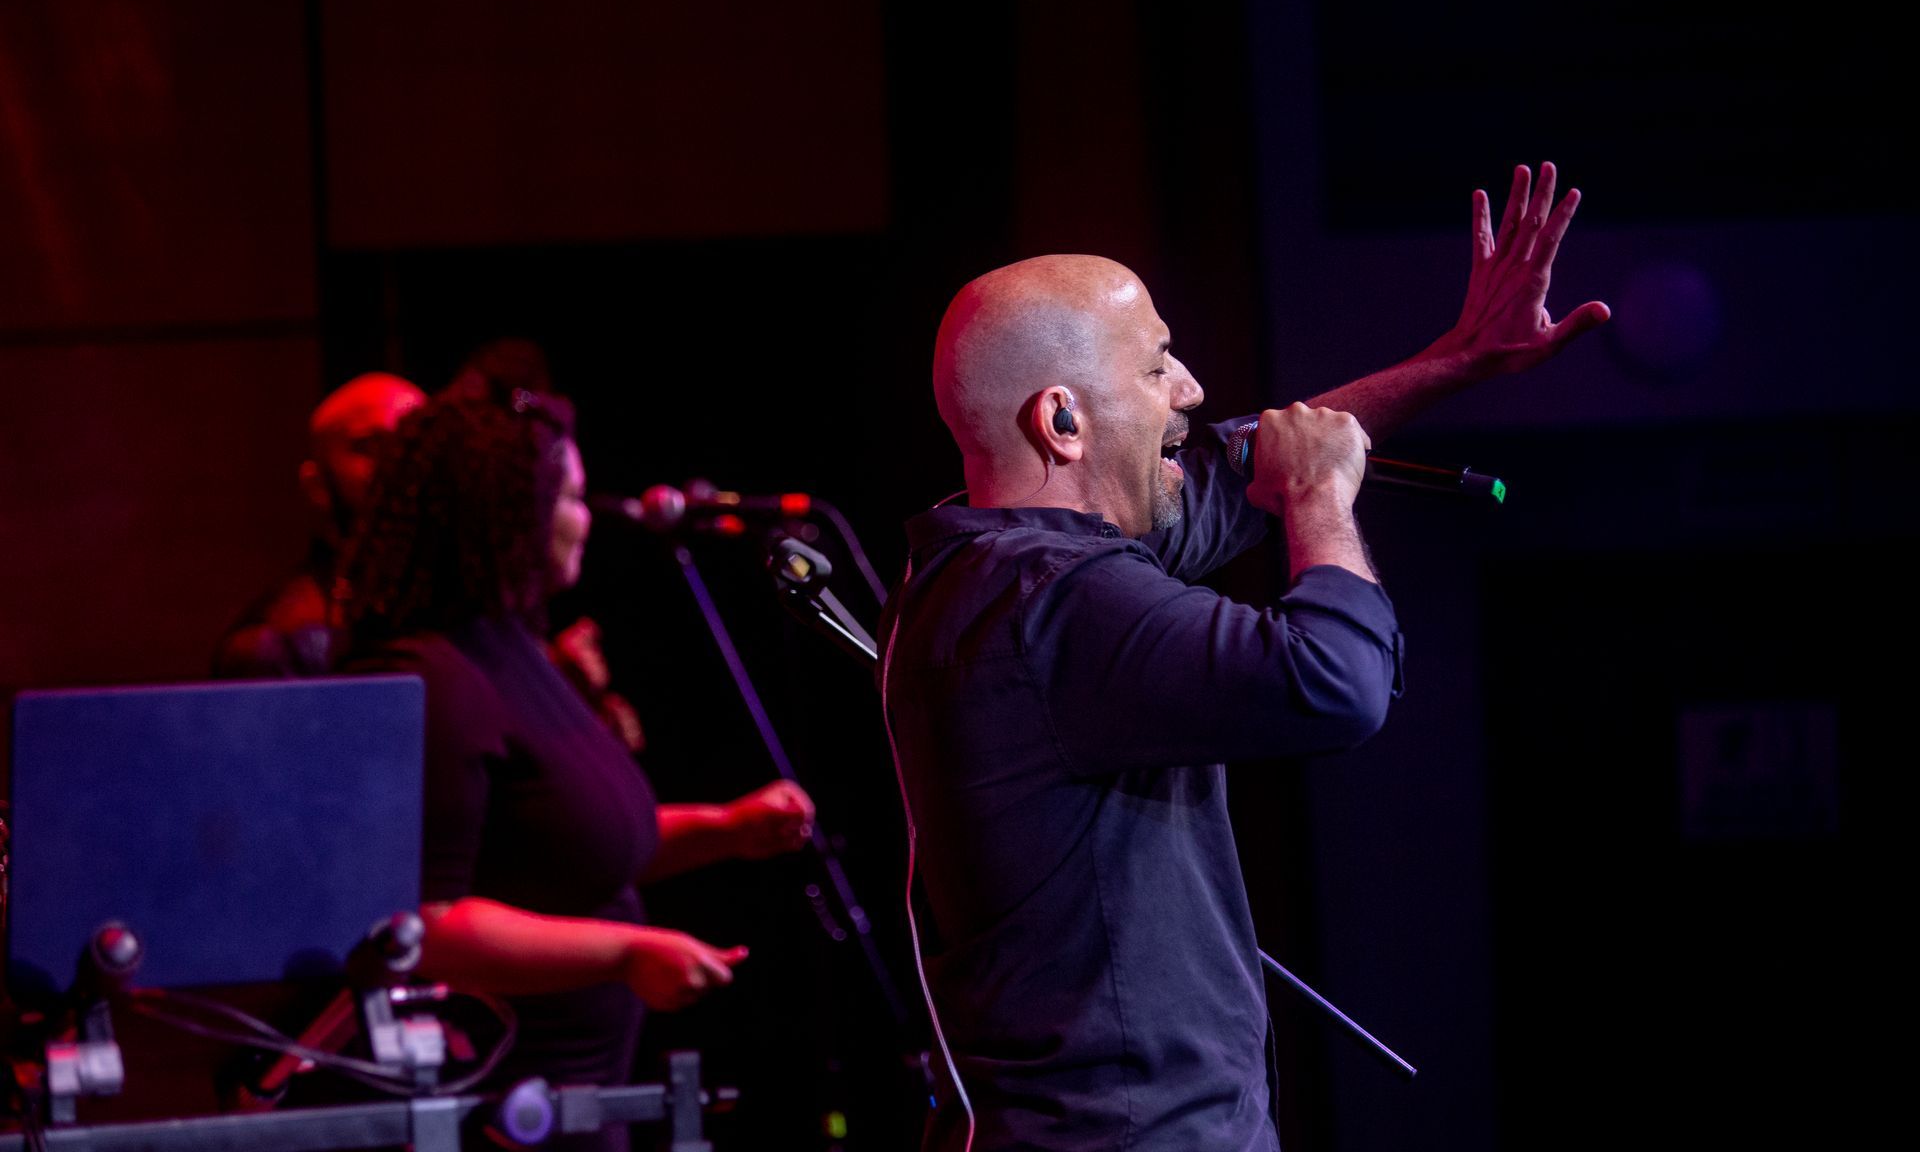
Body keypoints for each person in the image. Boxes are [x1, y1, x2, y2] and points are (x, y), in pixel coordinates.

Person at [881, 164, 1605, 1150]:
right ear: (1062, 419)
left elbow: (1228, 466)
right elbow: (1334, 683)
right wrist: (1320, 502)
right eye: (1157, 367)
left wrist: (1458, 358)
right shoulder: (1058, 602)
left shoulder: (997, 573)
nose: (1192, 388)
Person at [338, 384, 816, 1151]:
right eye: (568, 496)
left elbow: (566, 850)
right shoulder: (435, 677)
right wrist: (624, 951)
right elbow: (425, 925)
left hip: (579, 1098)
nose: (588, 515)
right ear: (505, 516)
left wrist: (727, 829)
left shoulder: (514, 650)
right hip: (499, 1106)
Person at [213, 372, 426, 678]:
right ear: (317, 486)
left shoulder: (480, 617)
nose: (401, 462)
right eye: (370, 446)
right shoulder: (277, 644)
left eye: (415, 443)